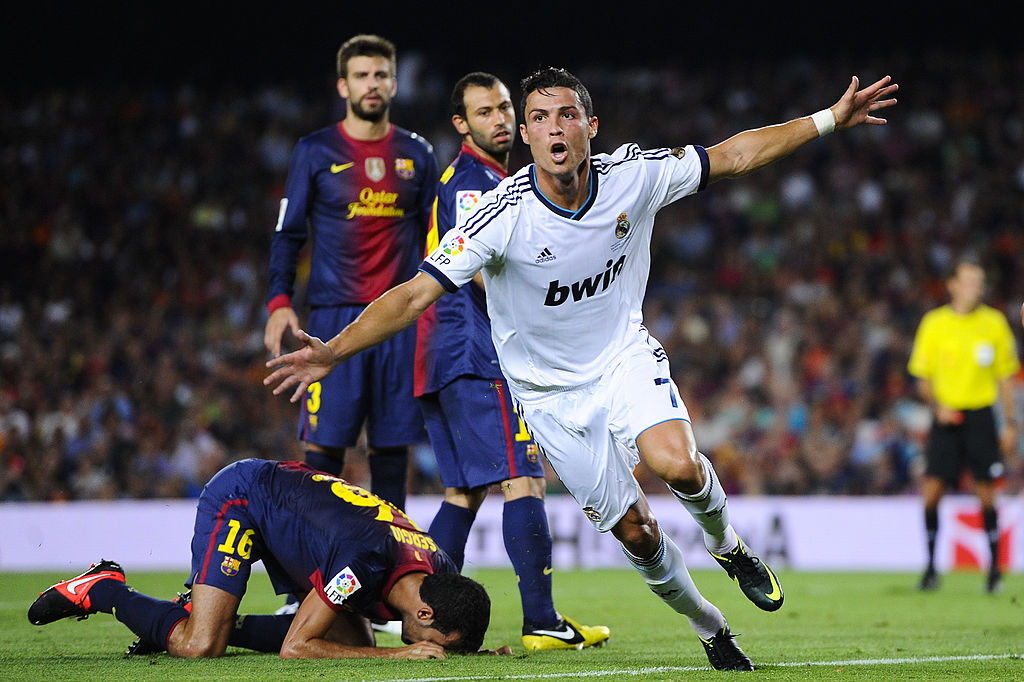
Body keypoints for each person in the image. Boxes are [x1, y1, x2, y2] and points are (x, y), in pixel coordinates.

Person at [265, 66, 899, 670]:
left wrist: (827, 120)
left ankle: (728, 545)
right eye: (539, 118)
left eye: (567, 114)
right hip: (547, 399)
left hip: (622, 358)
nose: (554, 128)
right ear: (530, 136)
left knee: (677, 463)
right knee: (638, 534)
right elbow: (414, 294)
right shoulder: (499, 215)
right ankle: (710, 626)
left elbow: (732, 155)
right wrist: (334, 350)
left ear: (590, 127)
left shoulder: (633, 175)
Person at [415, 71, 608, 651]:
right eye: (484, 112)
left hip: (440, 354)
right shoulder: (475, 183)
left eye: (504, 108)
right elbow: (474, 269)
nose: (499, 119)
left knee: (462, 493)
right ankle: (542, 620)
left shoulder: (483, 178)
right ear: (461, 124)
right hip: (476, 349)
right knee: (523, 477)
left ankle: (417, 614)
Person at [28, 458, 495, 659]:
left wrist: (475, 651)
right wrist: (402, 654)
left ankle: (188, 616)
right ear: (425, 611)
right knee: (199, 646)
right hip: (243, 498)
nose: (432, 650)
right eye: (440, 644)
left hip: (295, 509)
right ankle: (102, 588)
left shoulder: (439, 570)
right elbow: (296, 648)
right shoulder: (363, 564)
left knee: (356, 640)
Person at [264, 34, 439, 512]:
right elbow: (288, 234)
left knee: (390, 457)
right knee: (323, 461)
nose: (372, 84)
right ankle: (309, 580)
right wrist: (279, 303)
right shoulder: (315, 152)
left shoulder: (418, 155)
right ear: (343, 85)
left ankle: (390, 578)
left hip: (398, 324)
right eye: (361, 76)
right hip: (332, 321)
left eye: (381, 74)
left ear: (395, 83)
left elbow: (440, 244)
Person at [908, 258, 1018, 593]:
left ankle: (995, 573)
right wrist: (937, 405)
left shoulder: (994, 323)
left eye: (980, 281)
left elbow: (1005, 379)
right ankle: (929, 569)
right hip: (947, 415)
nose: (976, 287)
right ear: (952, 284)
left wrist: (1011, 422)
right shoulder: (935, 323)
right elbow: (922, 379)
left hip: (981, 416)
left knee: (987, 492)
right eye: (969, 280)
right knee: (932, 492)